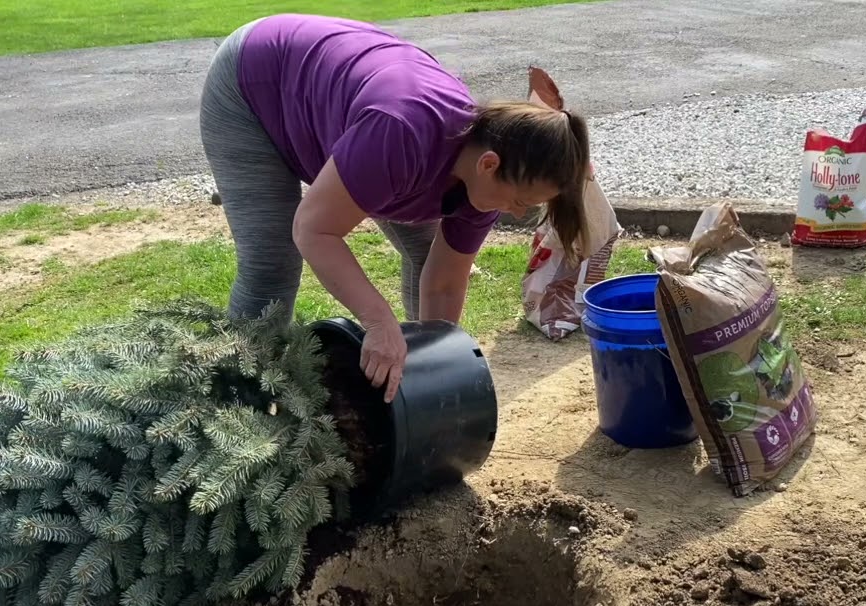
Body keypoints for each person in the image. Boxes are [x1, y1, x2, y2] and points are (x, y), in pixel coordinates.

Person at [198, 14, 591, 403]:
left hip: (344, 110)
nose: (517, 214)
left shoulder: (488, 171)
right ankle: (234, 413)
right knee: (272, 266)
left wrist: (437, 372)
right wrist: (377, 320)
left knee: (423, 253)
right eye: (520, 202)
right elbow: (313, 229)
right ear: (488, 164)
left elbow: (442, 282)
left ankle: (412, 389)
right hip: (255, 81)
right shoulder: (402, 134)